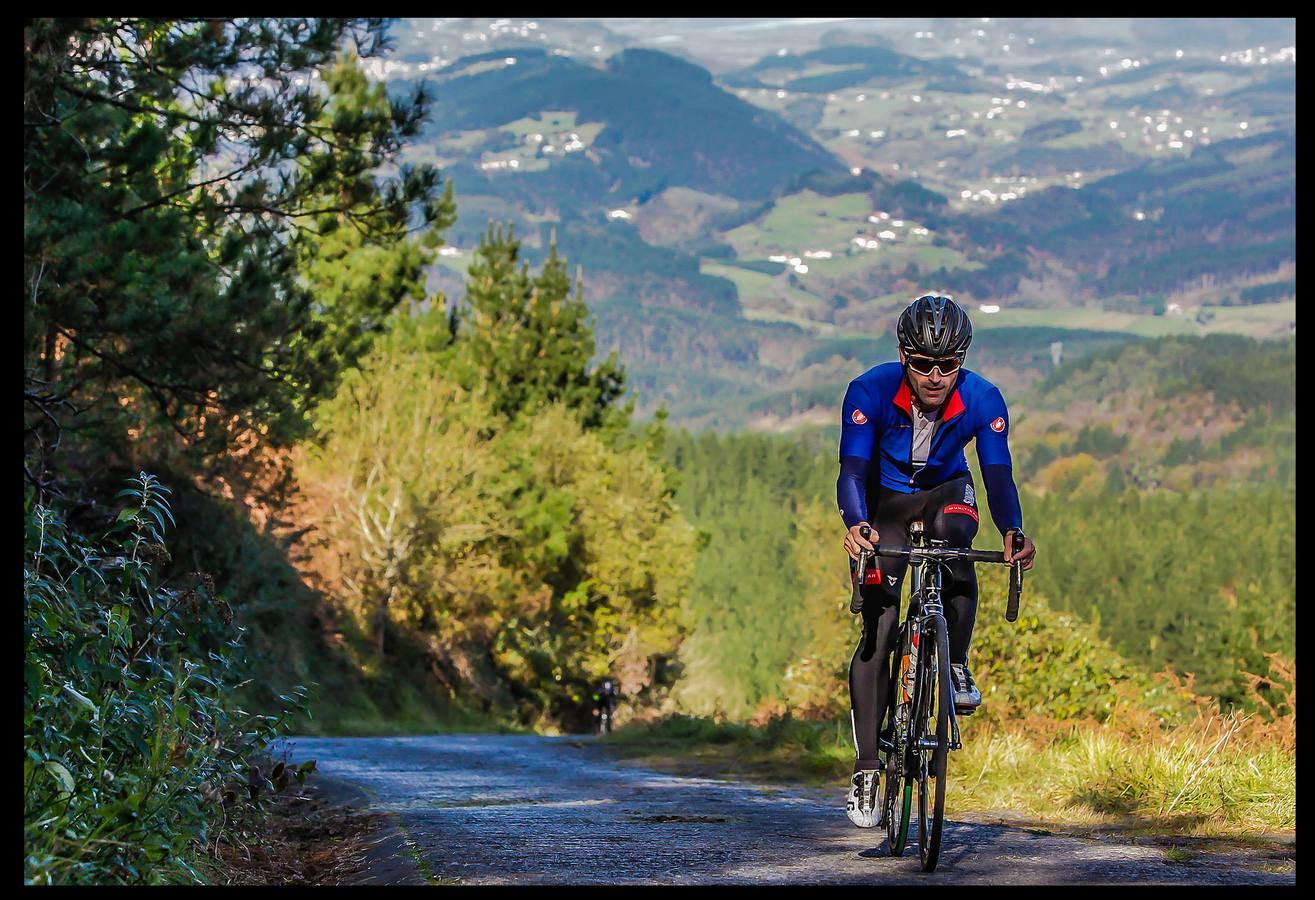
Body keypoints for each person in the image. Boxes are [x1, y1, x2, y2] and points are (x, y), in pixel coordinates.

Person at [836, 294, 1036, 828]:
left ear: (961, 362)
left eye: (947, 365)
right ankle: (867, 768)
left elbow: (997, 475)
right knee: (878, 628)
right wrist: (856, 524)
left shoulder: (984, 399)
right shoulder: (869, 391)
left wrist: (1014, 530)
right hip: (886, 499)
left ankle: (953, 662)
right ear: (904, 355)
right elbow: (852, 469)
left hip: (947, 489)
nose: (934, 376)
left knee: (956, 542)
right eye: (922, 364)